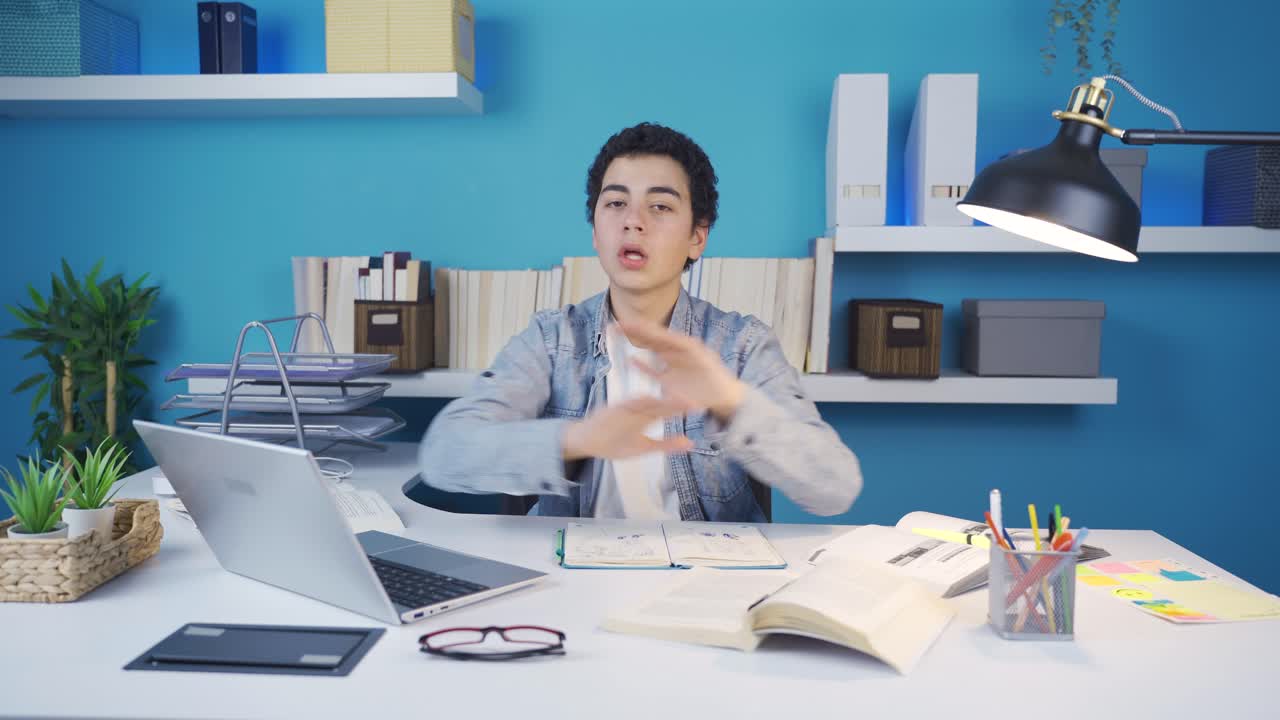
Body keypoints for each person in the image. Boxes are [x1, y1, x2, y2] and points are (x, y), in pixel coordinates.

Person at [418, 122, 862, 521]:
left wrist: (729, 400)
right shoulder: (550, 340)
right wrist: (579, 439)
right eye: (615, 203)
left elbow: (835, 489)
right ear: (595, 232)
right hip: (573, 574)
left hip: (708, 576)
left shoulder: (743, 345)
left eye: (660, 206)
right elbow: (444, 454)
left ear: (697, 237)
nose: (633, 221)